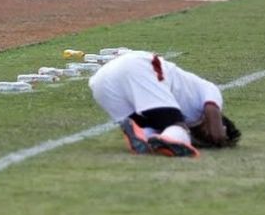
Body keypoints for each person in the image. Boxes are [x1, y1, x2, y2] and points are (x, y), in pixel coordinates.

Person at [88, 51, 241, 158]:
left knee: (150, 129)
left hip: (101, 84)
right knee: (177, 127)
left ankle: (141, 138)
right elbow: (213, 114)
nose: (208, 137)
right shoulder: (210, 97)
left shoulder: (182, 125)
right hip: (139, 67)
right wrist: (221, 139)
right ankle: (161, 139)